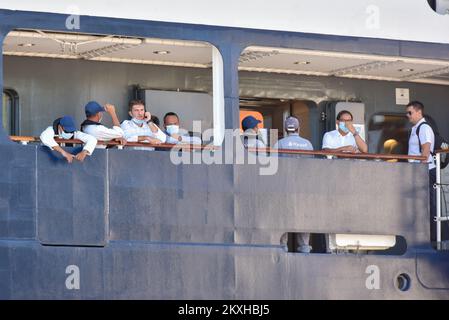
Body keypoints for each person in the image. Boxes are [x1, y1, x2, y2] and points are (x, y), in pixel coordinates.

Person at [274, 116, 313, 253]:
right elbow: (311, 165)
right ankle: (304, 249)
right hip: (303, 188)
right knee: (303, 217)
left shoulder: (279, 143)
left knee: (283, 218)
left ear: (285, 129)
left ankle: (283, 249)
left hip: (285, 187)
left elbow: (273, 166)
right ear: (298, 128)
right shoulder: (307, 144)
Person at [406, 101, 438, 244]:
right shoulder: (415, 128)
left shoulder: (424, 128)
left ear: (419, 112)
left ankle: (432, 239)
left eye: (410, 112)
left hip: (425, 171)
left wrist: (420, 172)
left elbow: (425, 152)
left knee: (429, 206)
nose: (408, 116)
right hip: (418, 171)